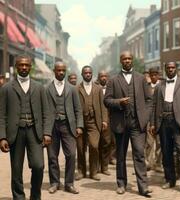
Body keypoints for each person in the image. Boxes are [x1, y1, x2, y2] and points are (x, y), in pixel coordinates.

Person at [0, 54, 52, 200]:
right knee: (16, 169)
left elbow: (46, 113)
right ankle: (19, 197)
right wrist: (2, 137)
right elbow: (1, 115)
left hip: (34, 132)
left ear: (30, 67)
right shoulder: (6, 88)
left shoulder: (39, 88)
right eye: (21, 65)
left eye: (26, 65)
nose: (24, 67)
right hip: (15, 133)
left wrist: (47, 133)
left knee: (38, 166)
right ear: (16, 67)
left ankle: (35, 196)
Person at [104, 51, 153, 198]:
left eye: (129, 58)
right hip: (120, 123)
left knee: (139, 153)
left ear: (132, 60)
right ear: (121, 61)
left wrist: (145, 117)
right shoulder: (113, 80)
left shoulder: (141, 78)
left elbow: (149, 100)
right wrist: (119, 102)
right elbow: (106, 100)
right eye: (124, 59)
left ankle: (143, 187)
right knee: (120, 155)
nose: (127, 61)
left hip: (137, 124)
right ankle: (121, 183)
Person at [150, 61, 180, 197]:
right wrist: (153, 124)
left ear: (176, 69)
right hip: (163, 122)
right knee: (166, 152)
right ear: (165, 69)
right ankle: (170, 179)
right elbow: (154, 106)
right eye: (168, 68)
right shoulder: (159, 86)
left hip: (179, 123)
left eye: (172, 67)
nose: (170, 70)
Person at [46, 61, 83, 194]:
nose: (61, 72)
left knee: (72, 154)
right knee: (52, 156)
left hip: (68, 125)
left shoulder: (72, 89)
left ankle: (69, 183)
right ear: (54, 71)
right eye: (58, 70)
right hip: (52, 126)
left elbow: (78, 109)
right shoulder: (47, 88)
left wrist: (79, 125)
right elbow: (43, 110)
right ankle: (54, 182)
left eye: (63, 70)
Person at [77, 66, 108, 181]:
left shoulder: (98, 88)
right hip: (80, 122)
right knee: (80, 148)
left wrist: (104, 120)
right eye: (86, 73)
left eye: (90, 73)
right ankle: (81, 171)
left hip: (94, 121)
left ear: (92, 74)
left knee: (94, 146)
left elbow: (103, 105)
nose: (88, 75)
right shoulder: (76, 88)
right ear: (82, 74)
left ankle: (93, 172)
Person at [95, 70, 116, 166]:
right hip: (98, 117)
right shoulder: (95, 88)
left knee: (111, 140)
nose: (104, 78)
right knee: (99, 141)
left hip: (111, 116)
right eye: (102, 76)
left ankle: (108, 159)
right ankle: (99, 162)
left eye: (105, 76)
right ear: (98, 78)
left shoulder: (111, 87)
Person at [145, 67, 162, 172]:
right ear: (149, 76)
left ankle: (158, 164)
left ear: (158, 75)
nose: (154, 76)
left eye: (156, 74)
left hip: (160, 118)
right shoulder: (146, 87)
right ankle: (147, 163)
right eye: (152, 75)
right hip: (148, 118)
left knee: (160, 142)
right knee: (149, 142)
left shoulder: (162, 86)